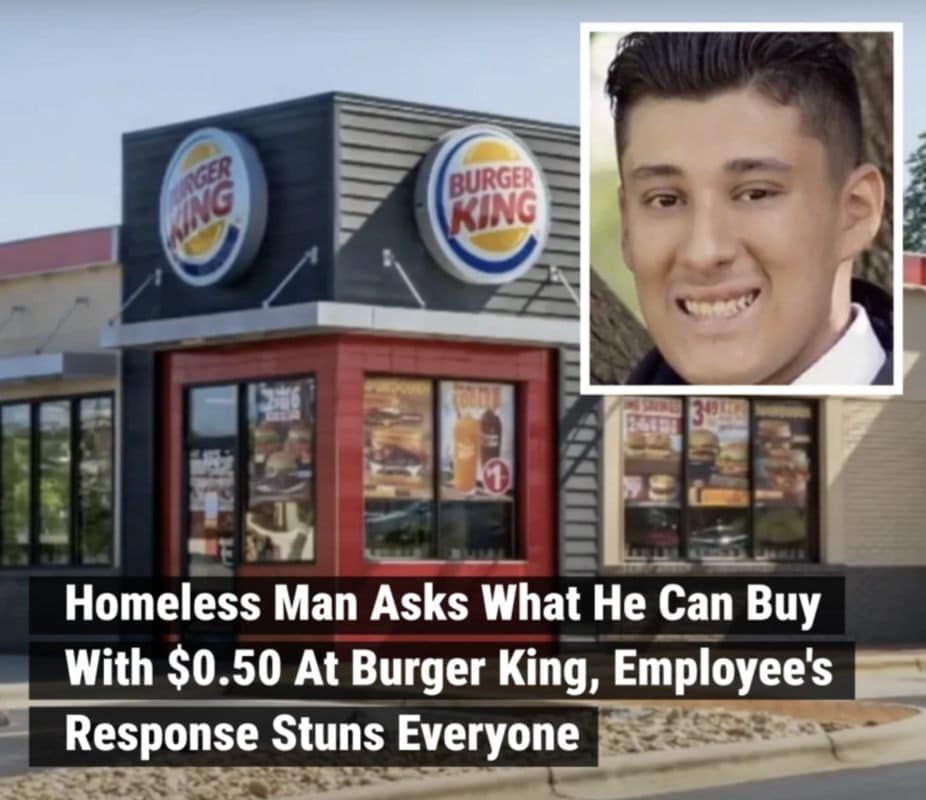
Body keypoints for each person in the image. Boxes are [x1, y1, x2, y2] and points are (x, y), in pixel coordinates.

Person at [604, 32, 893, 385]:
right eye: (665, 200)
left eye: (755, 194)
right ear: (628, 228)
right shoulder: (588, 436)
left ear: (855, 213)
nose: (703, 253)